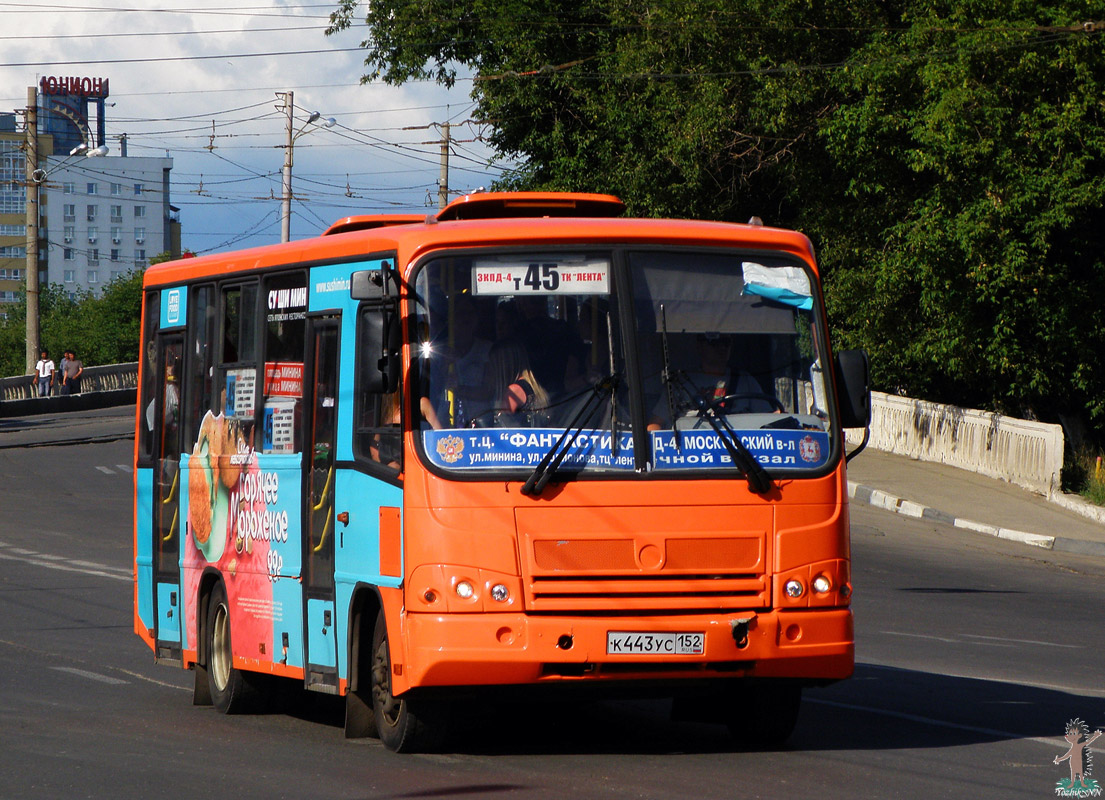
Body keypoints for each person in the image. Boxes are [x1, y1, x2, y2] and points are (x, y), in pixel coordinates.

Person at [648, 332, 773, 429]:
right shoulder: (679, 382)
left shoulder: (745, 381)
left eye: (726, 342)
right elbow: (654, 425)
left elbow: (768, 420)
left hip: (737, 454)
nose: (722, 347)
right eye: (715, 342)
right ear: (700, 345)